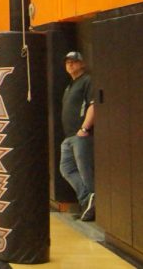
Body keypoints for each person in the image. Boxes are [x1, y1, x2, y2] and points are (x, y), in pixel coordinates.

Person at [60, 51, 95, 221]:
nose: (70, 65)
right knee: (66, 168)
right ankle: (87, 198)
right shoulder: (70, 85)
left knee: (84, 170)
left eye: (74, 62)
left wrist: (85, 128)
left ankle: (92, 202)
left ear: (82, 63)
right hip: (69, 136)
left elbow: (92, 105)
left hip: (80, 135)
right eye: (68, 62)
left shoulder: (87, 81)